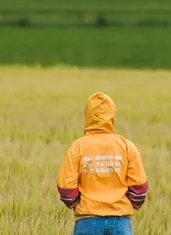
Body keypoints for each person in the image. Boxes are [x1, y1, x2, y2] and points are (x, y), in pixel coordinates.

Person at [56, 92, 149, 235]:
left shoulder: (77, 147)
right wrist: (122, 205)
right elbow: (139, 190)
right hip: (120, 222)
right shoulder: (126, 146)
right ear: (112, 115)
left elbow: (67, 191)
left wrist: (80, 204)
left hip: (87, 222)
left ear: (87, 115)